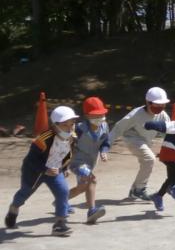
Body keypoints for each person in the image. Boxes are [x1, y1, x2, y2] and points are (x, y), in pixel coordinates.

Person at [5, 106, 79, 236]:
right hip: (34, 172)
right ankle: (13, 208)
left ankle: (60, 223)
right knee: (25, 192)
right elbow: (30, 160)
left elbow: (68, 153)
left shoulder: (72, 136)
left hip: (55, 170)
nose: (70, 127)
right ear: (55, 125)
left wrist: (65, 167)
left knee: (63, 192)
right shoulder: (43, 139)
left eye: (72, 124)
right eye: (65, 124)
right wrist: (45, 170)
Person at [107, 86, 173, 201]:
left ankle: (135, 190)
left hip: (146, 141)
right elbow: (118, 128)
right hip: (132, 139)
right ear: (148, 102)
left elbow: (169, 130)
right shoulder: (136, 114)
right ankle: (139, 189)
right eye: (157, 104)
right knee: (149, 159)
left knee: (147, 162)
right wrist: (105, 146)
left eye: (163, 104)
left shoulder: (162, 115)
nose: (160, 107)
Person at [67, 97, 111, 224]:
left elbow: (106, 142)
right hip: (77, 163)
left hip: (91, 162)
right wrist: (65, 164)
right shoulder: (79, 129)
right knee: (92, 179)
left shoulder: (104, 126)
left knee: (83, 187)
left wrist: (104, 151)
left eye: (102, 114)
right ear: (87, 115)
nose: (100, 117)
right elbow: (69, 145)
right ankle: (92, 211)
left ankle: (61, 201)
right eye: (96, 115)